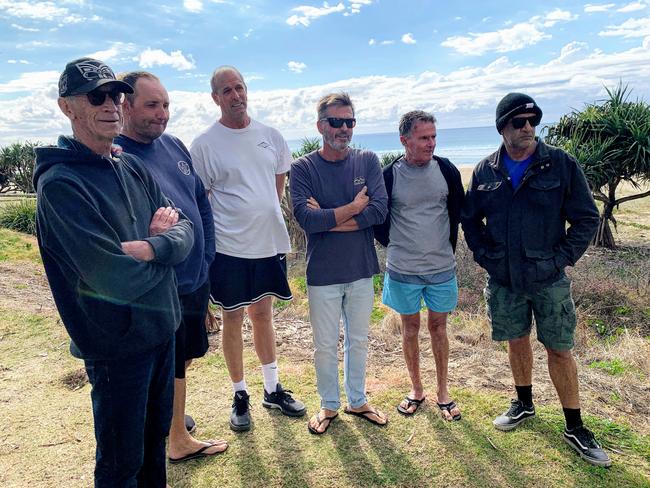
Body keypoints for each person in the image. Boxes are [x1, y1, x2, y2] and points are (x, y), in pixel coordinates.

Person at [34, 57, 194, 486]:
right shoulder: (61, 185)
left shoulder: (129, 165)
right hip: (117, 347)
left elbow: (186, 229)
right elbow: (112, 278)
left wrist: (150, 247)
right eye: (97, 96)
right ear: (67, 107)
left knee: (154, 444)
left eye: (117, 95)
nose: (112, 104)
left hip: (161, 331)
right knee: (121, 462)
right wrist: (166, 257)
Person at [461, 93, 610, 467]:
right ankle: (524, 404)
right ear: (502, 128)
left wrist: (559, 260)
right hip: (505, 279)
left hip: (549, 279)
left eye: (533, 121)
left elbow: (586, 219)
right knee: (516, 341)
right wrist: (486, 258)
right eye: (518, 122)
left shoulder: (559, 164)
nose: (528, 127)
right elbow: (469, 221)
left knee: (560, 349)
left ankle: (575, 426)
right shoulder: (485, 171)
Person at [116, 71, 228, 463]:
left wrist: (208, 255)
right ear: (124, 106)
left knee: (186, 354)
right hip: (160, 285)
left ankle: (170, 415)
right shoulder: (116, 156)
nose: (162, 114)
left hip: (195, 277)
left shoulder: (173, 145)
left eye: (165, 105)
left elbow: (200, 202)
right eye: (152, 105)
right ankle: (177, 439)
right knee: (167, 356)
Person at [190, 66, 305, 432]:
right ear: (215, 98)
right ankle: (240, 394)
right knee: (233, 318)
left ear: (247, 90)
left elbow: (278, 181)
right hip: (228, 248)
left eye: (239, 87)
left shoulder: (271, 136)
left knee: (263, 316)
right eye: (227, 90)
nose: (235, 95)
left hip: (267, 244)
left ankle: (272, 388)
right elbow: (201, 198)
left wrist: (261, 215)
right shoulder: (205, 144)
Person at [291, 92, 389, 435]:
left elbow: (379, 211)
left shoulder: (367, 161)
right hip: (323, 274)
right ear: (321, 126)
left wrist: (329, 217)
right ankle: (329, 405)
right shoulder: (302, 167)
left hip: (361, 269)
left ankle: (357, 400)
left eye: (350, 121)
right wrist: (353, 208)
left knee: (359, 340)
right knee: (324, 343)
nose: (344, 128)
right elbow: (306, 219)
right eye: (336, 121)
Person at [374, 110, 464, 421]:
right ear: (405, 140)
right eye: (424, 137)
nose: (431, 143)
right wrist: (399, 246)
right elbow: (378, 221)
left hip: (441, 267)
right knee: (409, 329)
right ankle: (416, 390)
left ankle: (443, 392)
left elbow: (457, 212)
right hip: (403, 269)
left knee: (438, 328)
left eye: (434, 137)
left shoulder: (447, 170)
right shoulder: (389, 175)